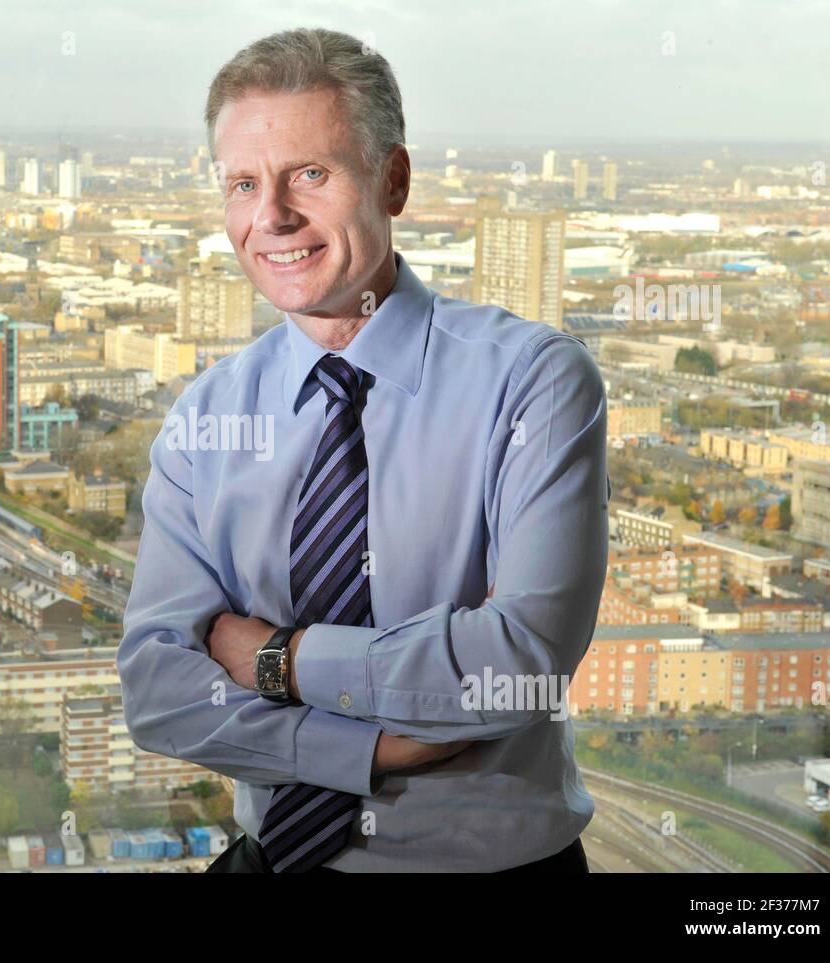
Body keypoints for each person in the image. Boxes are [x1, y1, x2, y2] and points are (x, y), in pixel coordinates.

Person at [118, 27, 609, 873]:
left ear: (395, 179)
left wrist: (275, 657)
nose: (271, 215)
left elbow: (518, 662)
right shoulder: (209, 415)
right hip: (269, 862)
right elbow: (161, 695)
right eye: (243, 183)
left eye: (310, 173)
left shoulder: (531, 383)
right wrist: (374, 746)